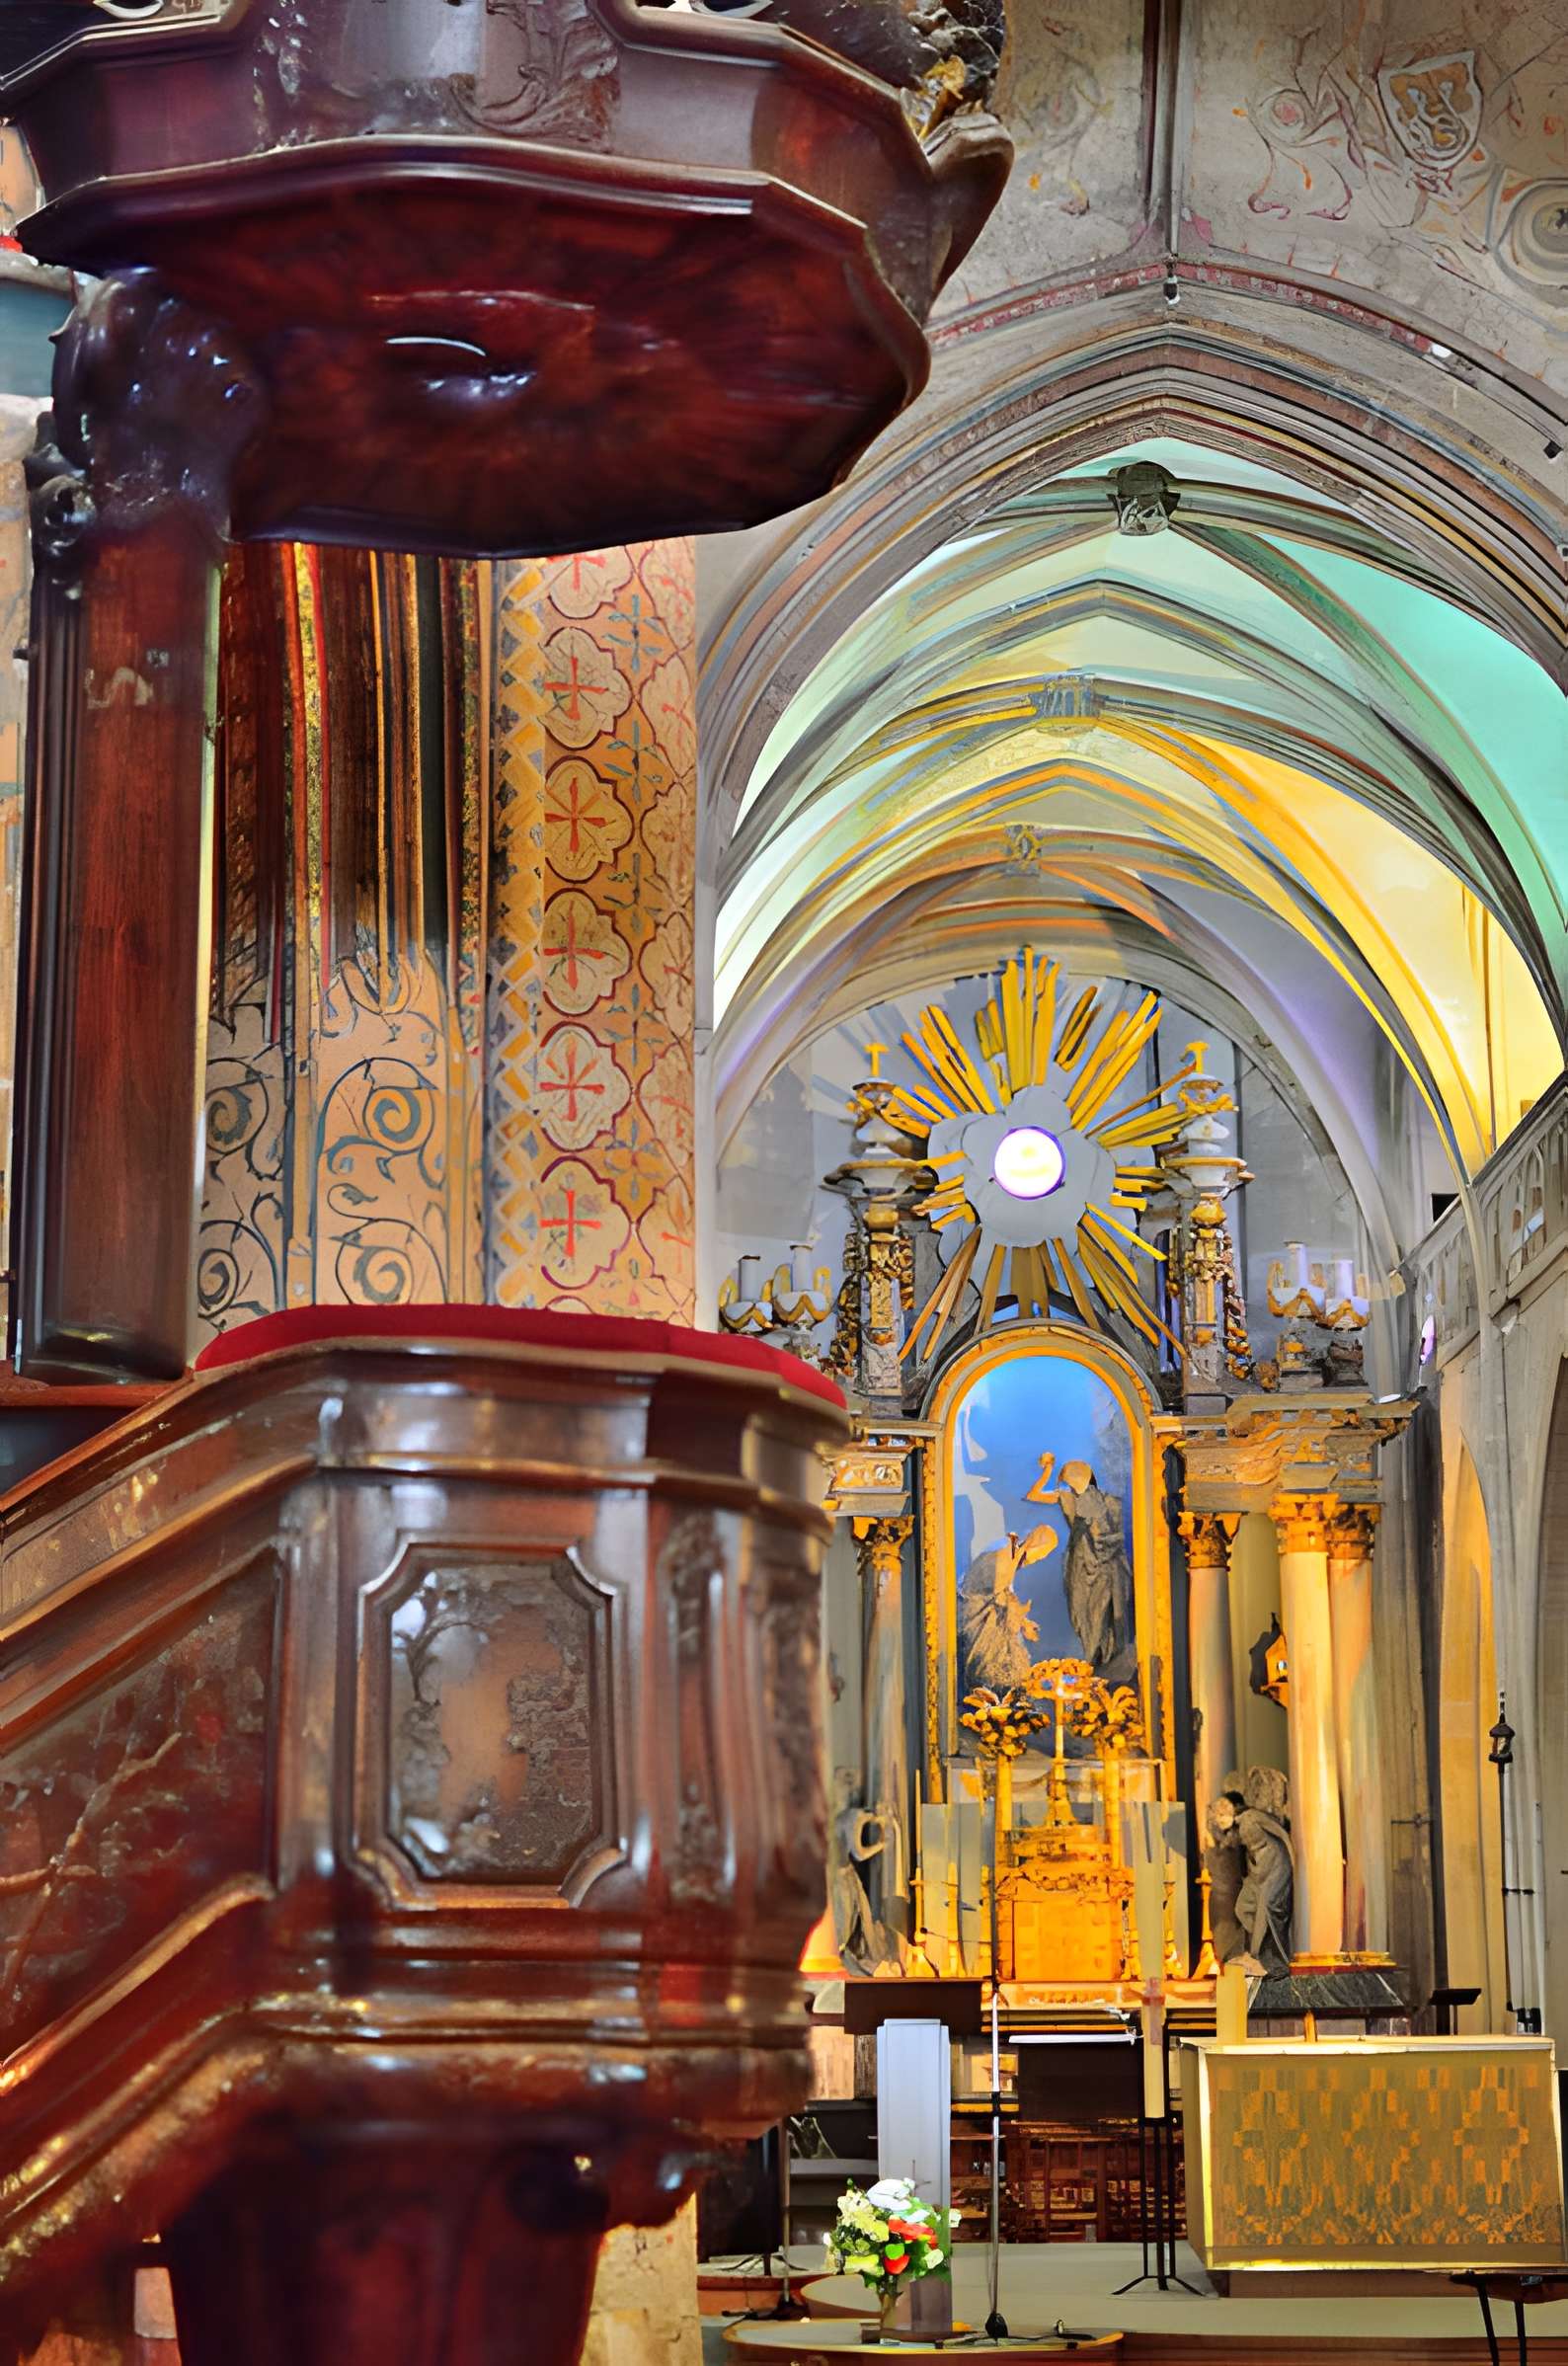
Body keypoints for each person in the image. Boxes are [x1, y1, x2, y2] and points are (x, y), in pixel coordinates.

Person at [1030, 1455, 1134, 1673]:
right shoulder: (1069, 1499)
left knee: (1102, 1614)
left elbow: (1117, 1535)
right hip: (1079, 1564)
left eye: (1070, 1480)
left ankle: (1099, 1663)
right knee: (1080, 1614)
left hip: (1103, 1568)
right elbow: (1034, 1495)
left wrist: (1104, 1549)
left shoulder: (1110, 1502)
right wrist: (1048, 1471)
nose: (1069, 1485)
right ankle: (1093, 1660)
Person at [959, 1527, 1051, 1689]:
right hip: (981, 1619)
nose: (1036, 1560)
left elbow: (1005, 1593)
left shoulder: (1010, 1553)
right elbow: (996, 1595)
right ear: (1033, 1545)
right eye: (1040, 1556)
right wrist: (1019, 1618)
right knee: (989, 1668)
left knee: (1012, 1667)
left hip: (993, 1616)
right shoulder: (1003, 1555)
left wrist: (1022, 1621)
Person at [1233, 1806, 1294, 1975]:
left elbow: (1280, 1833)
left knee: (1266, 1910)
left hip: (1274, 1874)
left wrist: (1293, 1858)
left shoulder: (1255, 1820)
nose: (1246, 1840)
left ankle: (1265, 1957)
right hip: (1260, 1876)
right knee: (1242, 1907)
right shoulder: (1243, 1838)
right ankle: (1258, 1948)